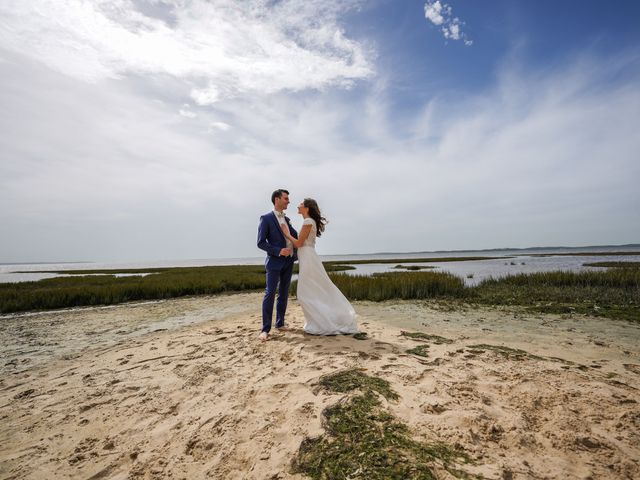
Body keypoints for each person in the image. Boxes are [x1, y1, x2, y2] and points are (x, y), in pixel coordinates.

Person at [280, 198, 359, 335]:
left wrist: (286, 234)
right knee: (313, 290)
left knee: (306, 292)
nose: (298, 205)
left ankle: (322, 322)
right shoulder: (309, 221)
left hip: (308, 258)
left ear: (307, 208)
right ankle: (318, 321)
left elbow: (299, 243)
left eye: (301, 204)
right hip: (307, 257)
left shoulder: (308, 221)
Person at [256, 189, 298, 341]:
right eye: (286, 198)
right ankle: (265, 329)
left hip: (289, 262)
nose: (288, 201)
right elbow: (260, 243)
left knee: (284, 293)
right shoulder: (266, 218)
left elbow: (295, 237)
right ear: (277, 199)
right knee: (270, 293)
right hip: (274, 262)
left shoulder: (286, 219)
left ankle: (280, 323)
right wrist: (279, 251)